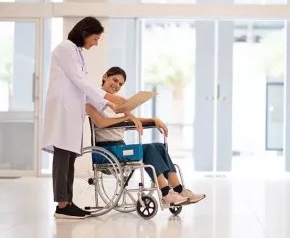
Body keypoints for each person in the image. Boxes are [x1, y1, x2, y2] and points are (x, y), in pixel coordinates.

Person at [42, 17, 126, 219]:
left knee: (69, 157)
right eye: (95, 38)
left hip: (71, 112)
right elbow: (80, 81)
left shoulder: (77, 53)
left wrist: (109, 103)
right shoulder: (66, 48)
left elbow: (84, 86)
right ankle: (62, 205)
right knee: (63, 157)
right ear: (85, 32)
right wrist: (108, 97)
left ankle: (67, 202)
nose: (96, 43)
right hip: (63, 111)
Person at [86, 67, 206, 206]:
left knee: (159, 147)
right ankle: (166, 194)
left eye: (120, 84)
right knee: (148, 149)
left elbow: (134, 119)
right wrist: (124, 120)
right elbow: (100, 123)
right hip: (107, 150)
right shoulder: (91, 100)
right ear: (105, 76)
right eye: (115, 80)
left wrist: (153, 120)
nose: (117, 85)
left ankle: (180, 190)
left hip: (120, 147)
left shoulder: (117, 103)